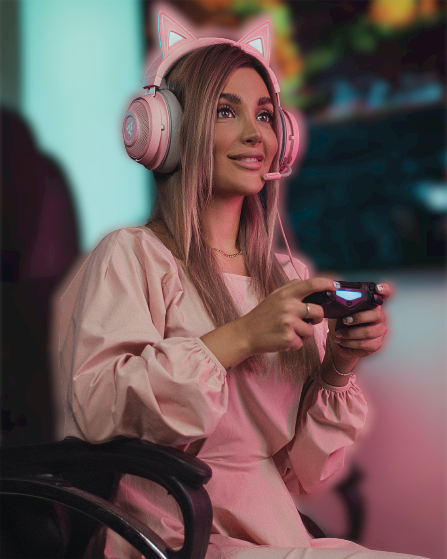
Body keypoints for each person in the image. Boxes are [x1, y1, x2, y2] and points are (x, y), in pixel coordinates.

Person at [59, 12, 427, 559]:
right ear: (170, 129)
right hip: (173, 536)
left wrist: (338, 366)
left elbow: (302, 473)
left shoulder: (286, 280)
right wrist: (242, 336)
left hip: (276, 533)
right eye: (227, 110)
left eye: (265, 114)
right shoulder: (132, 258)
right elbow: (99, 409)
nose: (257, 134)